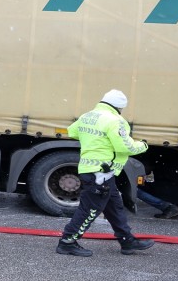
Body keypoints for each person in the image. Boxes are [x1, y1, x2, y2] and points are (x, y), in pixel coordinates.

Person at [57, 89, 154, 257]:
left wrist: (93, 141)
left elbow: (71, 131)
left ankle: (127, 241)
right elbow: (124, 147)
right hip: (101, 173)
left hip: (94, 171)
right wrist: (143, 145)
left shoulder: (88, 115)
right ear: (120, 107)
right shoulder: (116, 120)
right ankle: (67, 242)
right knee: (90, 209)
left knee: (114, 207)